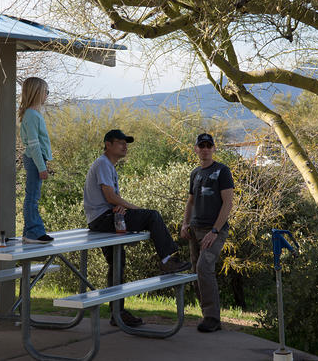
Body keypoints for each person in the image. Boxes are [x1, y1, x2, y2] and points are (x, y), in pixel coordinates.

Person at [84, 129, 191, 327]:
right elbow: (110, 196)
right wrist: (134, 208)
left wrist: (119, 208)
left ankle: (117, 313)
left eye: (126, 143)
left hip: (105, 217)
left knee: (117, 262)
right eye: (120, 142)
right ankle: (166, 260)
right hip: (102, 219)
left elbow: (110, 199)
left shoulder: (108, 165)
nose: (125, 146)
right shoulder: (103, 164)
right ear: (108, 144)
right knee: (152, 216)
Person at [180, 133, 234, 333]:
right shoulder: (195, 173)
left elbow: (228, 203)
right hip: (195, 229)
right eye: (201, 146)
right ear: (196, 149)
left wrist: (215, 230)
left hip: (214, 231)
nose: (205, 149)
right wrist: (185, 224)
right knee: (196, 272)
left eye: (208, 146)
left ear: (214, 149)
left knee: (204, 268)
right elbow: (190, 202)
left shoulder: (222, 171)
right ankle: (206, 316)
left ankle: (212, 318)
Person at [19, 77, 54, 244]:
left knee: (33, 196)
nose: (47, 95)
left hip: (35, 159)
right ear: (37, 93)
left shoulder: (32, 114)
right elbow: (34, 144)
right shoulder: (32, 115)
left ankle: (28, 232)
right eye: (46, 91)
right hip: (34, 160)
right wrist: (41, 167)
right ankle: (34, 232)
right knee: (32, 197)